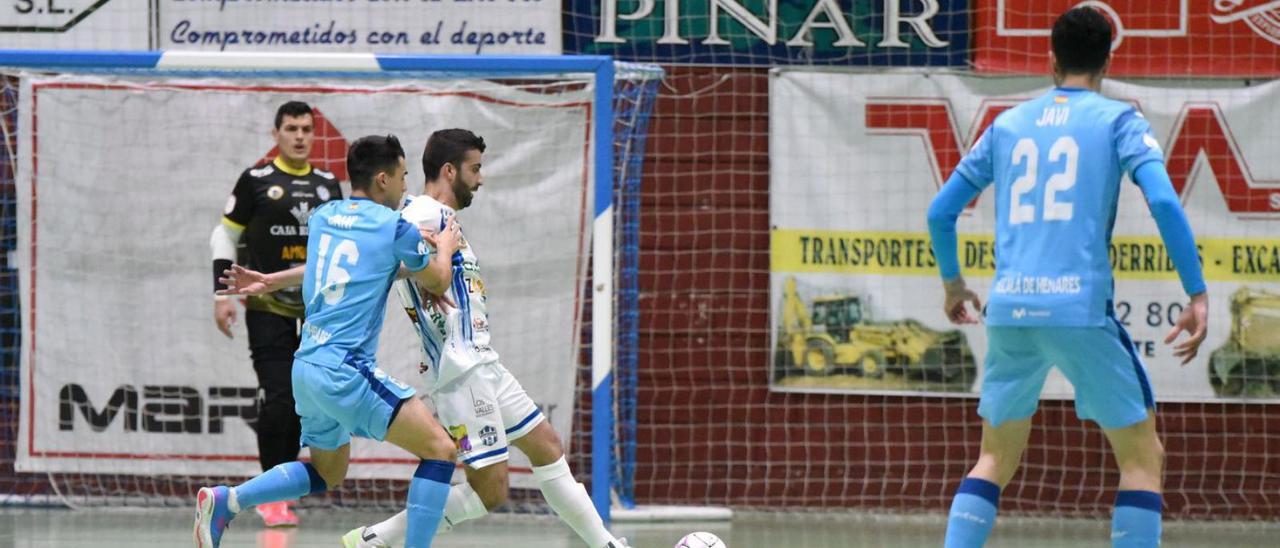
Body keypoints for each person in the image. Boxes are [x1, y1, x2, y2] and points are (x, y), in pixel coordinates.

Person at [926, 8, 1209, 548]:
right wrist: (1196, 291)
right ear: (1108, 61)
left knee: (992, 458)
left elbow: (941, 212)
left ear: (1050, 59)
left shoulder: (1006, 126)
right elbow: (1165, 202)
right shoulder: (1119, 120)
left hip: (1009, 312)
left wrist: (954, 285)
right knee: (1143, 457)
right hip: (1079, 311)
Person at [340, 129, 627, 548]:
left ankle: (609, 545)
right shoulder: (422, 212)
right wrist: (417, 274)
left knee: (546, 444)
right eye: (475, 169)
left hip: (483, 362)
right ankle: (374, 540)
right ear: (449, 169)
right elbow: (381, 257)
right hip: (461, 371)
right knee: (490, 491)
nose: (481, 178)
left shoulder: (444, 221)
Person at [195, 135, 462, 548]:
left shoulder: (323, 216)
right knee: (442, 451)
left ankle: (228, 500)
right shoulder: (394, 227)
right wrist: (444, 245)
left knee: (328, 472)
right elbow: (438, 279)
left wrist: (272, 278)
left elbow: (345, 266)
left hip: (307, 367)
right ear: (382, 179)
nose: (405, 187)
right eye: (402, 177)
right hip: (345, 370)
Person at [210, 101, 342, 528]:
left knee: (309, 404)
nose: (300, 136)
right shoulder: (256, 180)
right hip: (268, 309)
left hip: (319, 313)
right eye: (291, 128)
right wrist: (222, 295)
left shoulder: (328, 184)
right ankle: (271, 499)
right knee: (280, 399)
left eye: (307, 128)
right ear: (276, 134)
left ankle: (289, 486)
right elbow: (225, 235)